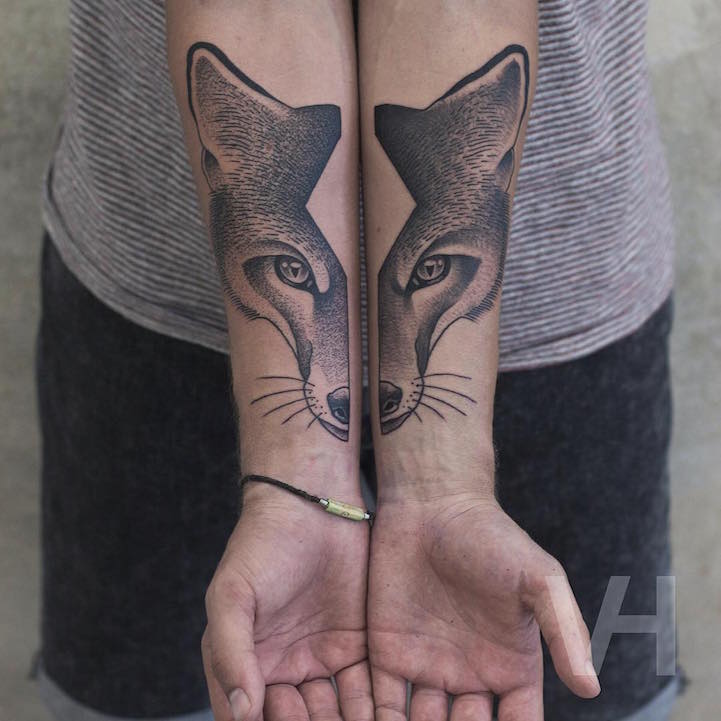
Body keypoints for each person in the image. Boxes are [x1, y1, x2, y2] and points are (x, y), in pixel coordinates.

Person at [36, 2, 678, 721]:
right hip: (166, 320)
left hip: (561, 332)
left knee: (599, 682)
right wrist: (304, 479)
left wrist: (440, 486)